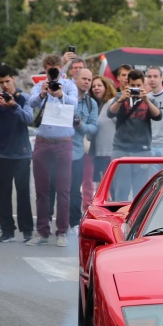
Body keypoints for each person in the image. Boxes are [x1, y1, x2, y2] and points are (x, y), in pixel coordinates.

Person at [28, 53, 79, 247]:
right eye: (49, 69)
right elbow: (31, 103)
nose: (52, 73)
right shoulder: (40, 86)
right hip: (43, 141)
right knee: (41, 190)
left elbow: (75, 103)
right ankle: (42, 231)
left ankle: (62, 232)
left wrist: (61, 95)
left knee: (63, 190)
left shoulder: (69, 86)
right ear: (45, 69)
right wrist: (43, 93)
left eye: (55, 69)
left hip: (64, 142)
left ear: (60, 68)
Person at [0, 64, 34, 243]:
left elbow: (28, 119)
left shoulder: (23, 98)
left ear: (13, 79)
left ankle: (27, 230)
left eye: (7, 81)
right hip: (3, 153)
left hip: (21, 154)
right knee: (3, 195)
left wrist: (14, 106)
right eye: (1, 82)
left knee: (23, 194)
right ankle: (7, 231)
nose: (5, 85)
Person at [70, 65, 99, 222]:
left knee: (75, 190)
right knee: (55, 188)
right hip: (59, 148)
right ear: (76, 79)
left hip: (78, 152)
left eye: (89, 79)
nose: (87, 82)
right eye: (84, 79)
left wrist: (81, 125)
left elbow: (93, 128)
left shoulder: (91, 104)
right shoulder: (65, 97)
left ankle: (73, 222)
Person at [108, 69, 159, 157]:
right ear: (127, 84)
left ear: (143, 85)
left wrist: (146, 100)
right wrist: (121, 100)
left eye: (138, 85)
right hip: (121, 148)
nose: (136, 88)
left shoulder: (149, 100)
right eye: (133, 85)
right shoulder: (120, 97)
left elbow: (158, 116)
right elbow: (110, 113)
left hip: (142, 149)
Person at [90, 75, 118, 181]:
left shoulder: (111, 103)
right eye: (93, 86)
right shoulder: (96, 106)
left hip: (109, 154)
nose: (96, 88)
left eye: (99, 85)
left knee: (113, 187)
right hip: (99, 154)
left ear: (106, 87)